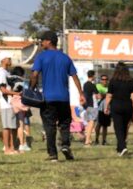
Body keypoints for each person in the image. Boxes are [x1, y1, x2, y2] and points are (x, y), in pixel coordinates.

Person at [29, 30, 84, 161]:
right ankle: (65, 144)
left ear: (49, 41)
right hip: (64, 98)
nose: (41, 43)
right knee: (65, 123)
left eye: (42, 40)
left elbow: (34, 75)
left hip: (48, 99)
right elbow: (75, 77)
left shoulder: (42, 57)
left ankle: (53, 154)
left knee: (49, 125)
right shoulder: (65, 57)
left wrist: (31, 89)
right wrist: (81, 93)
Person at [104, 62, 133, 157]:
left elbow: (109, 95)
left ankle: (122, 147)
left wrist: (106, 106)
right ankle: (120, 148)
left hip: (116, 106)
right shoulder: (131, 81)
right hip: (128, 106)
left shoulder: (113, 81)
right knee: (124, 127)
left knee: (118, 127)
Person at [0, 56, 17, 155]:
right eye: (8, 59)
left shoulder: (7, 72)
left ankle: (12, 147)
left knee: (13, 126)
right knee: (7, 127)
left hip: (11, 103)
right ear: (3, 60)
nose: (10, 60)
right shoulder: (1, 73)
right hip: (6, 103)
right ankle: (7, 149)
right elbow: (3, 90)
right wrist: (17, 94)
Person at [9, 66, 31, 152]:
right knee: (20, 125)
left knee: (12, 126)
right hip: (20, 104)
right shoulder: (22, 82)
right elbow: (26, 91)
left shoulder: (10, 81)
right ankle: (22, 144)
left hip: (12, 103)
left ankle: (9, 144)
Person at [82, 69, 99, 147]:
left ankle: (88, 139)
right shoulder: (92, 85)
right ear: (93, 76)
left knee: (88, 123)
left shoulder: (85, 84)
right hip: (91, 105)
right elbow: (98, 96)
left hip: (86, 105)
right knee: (91, 123)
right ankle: (87, 141)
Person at [94, 73, 111, 145]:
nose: (104, 81)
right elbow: (99, 96)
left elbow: (108, 95)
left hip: (107, 108)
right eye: (103, 79)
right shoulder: (97, 86)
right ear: (100, 80)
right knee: (98, 124)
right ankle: (96, 139)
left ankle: (104, 140)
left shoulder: (110, 87)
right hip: (99, 109)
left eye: (106, 79)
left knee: (105, 126)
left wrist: (105, 95)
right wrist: (107, 95)